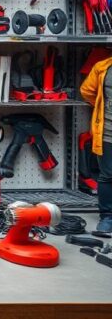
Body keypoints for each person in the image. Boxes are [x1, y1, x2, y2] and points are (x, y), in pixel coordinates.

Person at [80, 53, 112, 237]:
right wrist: (103, 108)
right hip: (107, 132)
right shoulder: (102, 68)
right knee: (107, 175)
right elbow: (87, 91)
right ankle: (107, 217)